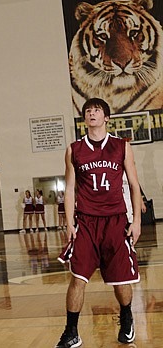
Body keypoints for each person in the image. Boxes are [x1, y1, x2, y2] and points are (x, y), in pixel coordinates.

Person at [56, 98, 141, 348]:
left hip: (116, 221)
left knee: (121, 281)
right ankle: (71, 331)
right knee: (77, 278)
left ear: (107, 118)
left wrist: (136, 221)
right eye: (88, 111)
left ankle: (126, 316)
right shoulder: (74, 149)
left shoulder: (121, 146)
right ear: (84, 118)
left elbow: (134, 186)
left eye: (97, 110)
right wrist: (69, 223)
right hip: (86, 222)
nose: (92, 113)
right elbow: (70, 188)